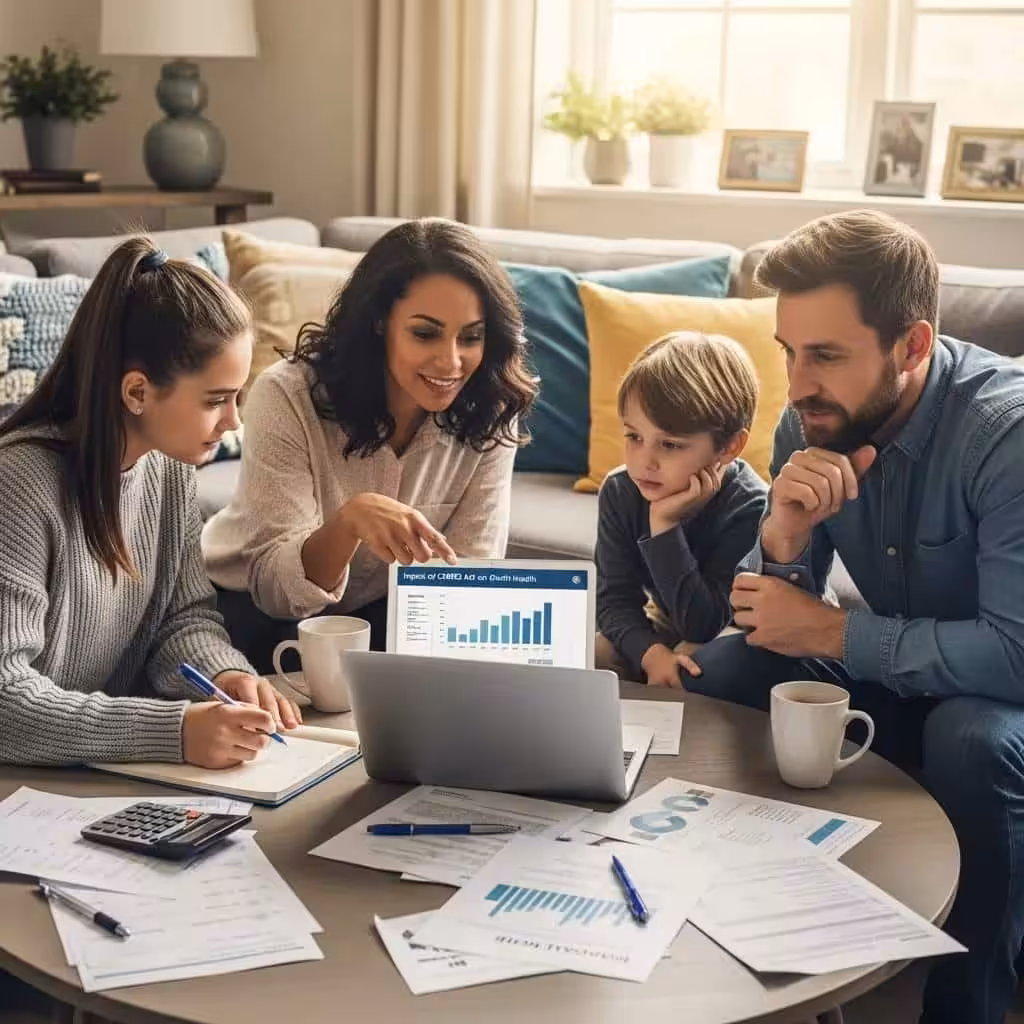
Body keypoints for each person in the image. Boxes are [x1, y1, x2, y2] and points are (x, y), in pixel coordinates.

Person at [684, 209, 1024, 1024]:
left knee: (968, 735)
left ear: (910, 346)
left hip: (1001, 702)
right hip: (911, 680)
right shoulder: (812, 417)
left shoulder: (1004, 437)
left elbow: (1016, 657)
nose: (798, 384)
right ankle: (768, 938)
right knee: (729, 669)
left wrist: (836, 633)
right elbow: (762, 615)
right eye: (789, 352)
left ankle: (967, 1004)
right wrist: (782, 539)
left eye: (827, 355)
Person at [0, 237, 301, 769]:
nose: (235, 422)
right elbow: (5, 699)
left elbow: (181, 618)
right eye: (215, 400)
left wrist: (226, 676)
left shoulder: (168, 467)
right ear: (137, 392)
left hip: (90, 771)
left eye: (237, 397)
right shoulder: (19, 484)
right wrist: (174, 732)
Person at [202, 218, 537, 671]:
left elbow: (466, 581)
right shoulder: (289, 395)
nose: (452, 361)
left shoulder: (491, 407)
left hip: (381, 620)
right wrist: (347, 524)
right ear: (380, 321)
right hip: (254, 618)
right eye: (425, 333)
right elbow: (277, 592)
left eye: (471, 336)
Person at [595, 332, 767, 685]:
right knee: (591, 654)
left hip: (735, 627)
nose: (645, 462)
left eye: (670, 444)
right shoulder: (620, 491)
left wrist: (664, 525)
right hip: (672, 615)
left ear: (729, 447)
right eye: (633, 436)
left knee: (696, 661)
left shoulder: (752, 508)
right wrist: (651, 653)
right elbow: (613, 601)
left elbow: (703, 624)